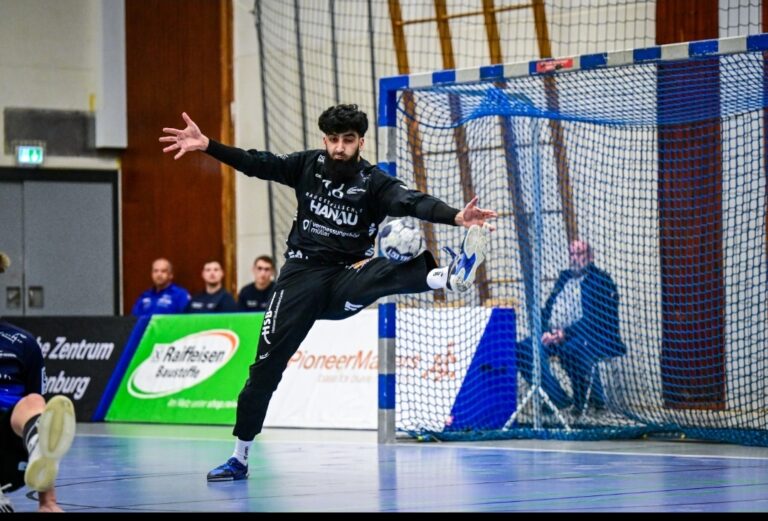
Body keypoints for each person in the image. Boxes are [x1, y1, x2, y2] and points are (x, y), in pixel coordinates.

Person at [160, 103, 497, 482]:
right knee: (264, 370)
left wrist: (455, 216)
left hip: (344, 280)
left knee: (378, 269)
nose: (339, 148)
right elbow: (258, 163)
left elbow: (412, 201)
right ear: (325, 140)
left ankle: (445, 278)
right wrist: (208, 145)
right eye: (333, 140)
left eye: (348, 141)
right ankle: (240, 458)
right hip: (299, 278)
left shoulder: (373, 183)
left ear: (360, 142)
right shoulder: (307, 165)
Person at [0, 251, 76, 513]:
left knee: (34, 402)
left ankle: (37, 451)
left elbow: (41, 413)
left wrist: (48, 502)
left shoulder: (22, 343)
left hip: (8, 445)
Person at [516, 240, 626, 414]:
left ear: (590, 257)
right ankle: (557, 399)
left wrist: (565, 334)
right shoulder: (564, 278)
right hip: (556, 336)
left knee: (572, 350)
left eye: (580, 254)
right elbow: (548, 309)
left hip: (591, 337)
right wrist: (546, 331)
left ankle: (589, 401)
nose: (575, 258)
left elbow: (595, 320)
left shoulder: (601, 281)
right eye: (572, 254)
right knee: (523, 349)